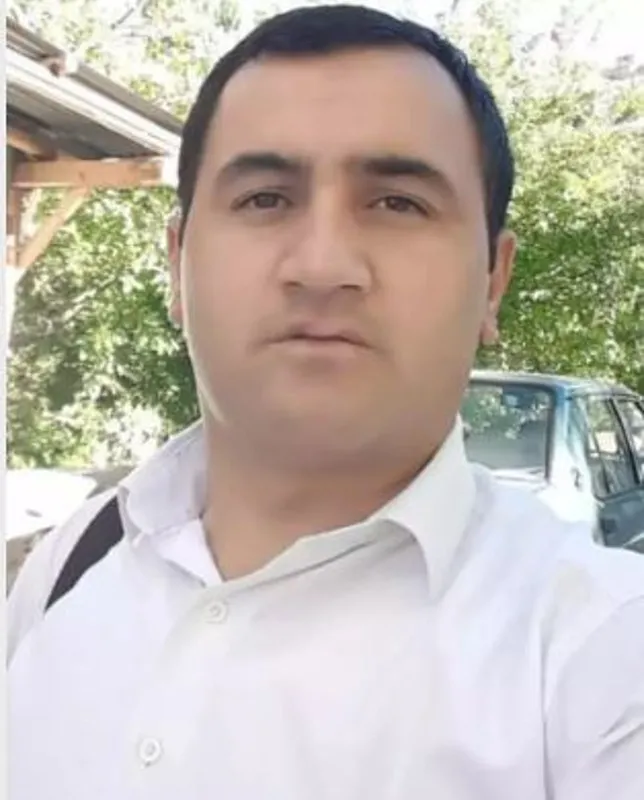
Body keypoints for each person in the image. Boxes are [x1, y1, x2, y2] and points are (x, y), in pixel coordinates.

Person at [7, 5, 644, 799]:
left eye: (398, 203)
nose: (322, 265)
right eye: (265, 199)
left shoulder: (599, 657)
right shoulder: (74, 565)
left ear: (492, 280)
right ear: (177, 263)